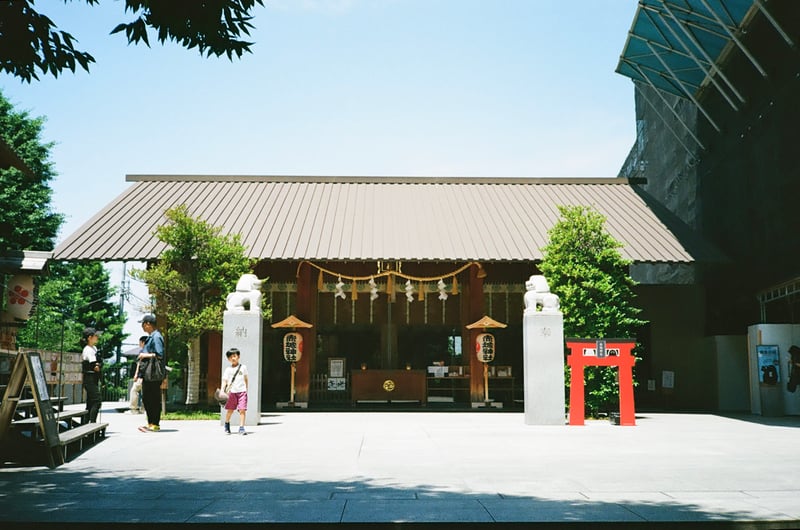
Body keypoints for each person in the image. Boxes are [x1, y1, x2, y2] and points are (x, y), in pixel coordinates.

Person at [137, 314, 165, 432]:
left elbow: (159, 354)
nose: (142, 327)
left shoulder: (156, 336)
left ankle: (155, 423)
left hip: (153, 373)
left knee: (153, 398)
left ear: (148, 324)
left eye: (143, 324)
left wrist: (145, 355)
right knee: (147, 398)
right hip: (148, 374)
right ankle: (150, 423)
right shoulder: (151, 337)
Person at [221, 347, 249, 435]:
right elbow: (224, 381)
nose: (233, 358)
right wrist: (222, 390)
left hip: (242, 392)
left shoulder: (243, 367)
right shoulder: (228, 369)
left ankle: (241, 428)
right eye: (230, 357)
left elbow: (246, 379)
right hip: (232, 393)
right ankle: (227, 423)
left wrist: (246, 389)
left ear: (238, 356)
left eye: (234, 356)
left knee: (242, 410)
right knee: (230, 410)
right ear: (228, 359)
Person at [80, 327, 102, 423]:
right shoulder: (88, 349)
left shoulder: (94, 348)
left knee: (90, 402)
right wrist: (98, 365)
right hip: (89, 378)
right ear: (90, 337)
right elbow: (94, 365)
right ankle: (92, 423)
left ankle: (86, 423)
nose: (97, 337)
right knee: (97, 400)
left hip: (94, 378)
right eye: (95, 336)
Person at [128, 335, 148, 414]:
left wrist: (136, 374)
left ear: (143, 342)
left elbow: (139, 364)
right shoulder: (150, 351)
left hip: (142, 375)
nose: (139, 344)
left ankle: (134, 408)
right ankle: (144, 409)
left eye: (140, 342)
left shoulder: (143, 352)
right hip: (146, 375)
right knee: (145, 392)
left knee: (134, 390)